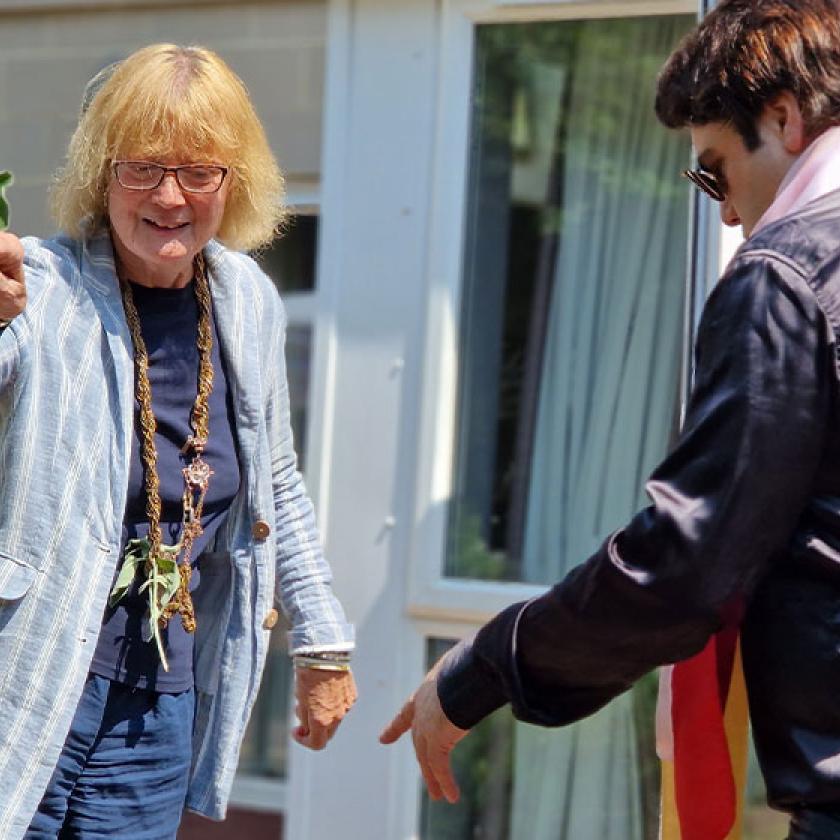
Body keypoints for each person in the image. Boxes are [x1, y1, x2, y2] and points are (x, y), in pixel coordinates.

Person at [381, 1, 840, 837]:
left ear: (785, 117)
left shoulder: (785, 275)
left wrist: (485, 668)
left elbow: (686, 563)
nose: (727, 215)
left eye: (715, 171)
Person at [0, 44, 356, 839]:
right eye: (142, 168)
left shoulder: (246, 300)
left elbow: (277, 485)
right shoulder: (38, 287)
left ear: (236, 183)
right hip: (24, 678)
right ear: (101, 174)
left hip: (157, 704)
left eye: (199, 172)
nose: (169, 196)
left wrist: (322, 640)